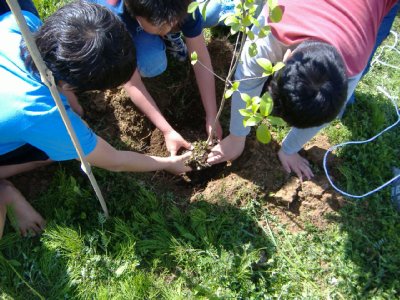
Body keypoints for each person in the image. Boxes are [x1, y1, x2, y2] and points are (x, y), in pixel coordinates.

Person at [0, 0, 191, 238]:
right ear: (69, 84)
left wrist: (73, 102)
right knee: (51, 154)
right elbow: (114, 160)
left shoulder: (20, 23)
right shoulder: (43, 116)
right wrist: (168, 164)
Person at [207, 0, 399, 180]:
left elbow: (325, 115)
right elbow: (247, 79)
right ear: (286, 56)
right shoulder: (275, 22)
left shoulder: (354, 64)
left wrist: (289, 149)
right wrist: (236, 138)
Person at [90, 0, 222, 156]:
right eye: (161, 28)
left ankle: (169, 35)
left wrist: (212, 114)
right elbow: (133, 84)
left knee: (214, 12)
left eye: (174, 23)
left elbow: (200, 57)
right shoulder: (111, 20)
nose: (169, 27)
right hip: (116, 28)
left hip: (155, 15)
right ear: (137, 15)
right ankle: (155, 39)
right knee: (152, 62)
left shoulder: (182, 4)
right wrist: (167, 131)